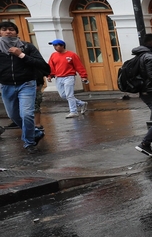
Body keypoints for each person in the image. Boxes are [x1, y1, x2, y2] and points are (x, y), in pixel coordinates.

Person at [0, 20, 48, 148]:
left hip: (26, 84)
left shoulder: (27, 47)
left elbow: (43, 66)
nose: (8, 32)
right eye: (4, 29)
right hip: (6, 86)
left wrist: (21, 55)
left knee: (26, 114)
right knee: (13, 116)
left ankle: (29, 142)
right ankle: (35, 132)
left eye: (11, 29)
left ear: (16, 32)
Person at [46, 39, 88, 118]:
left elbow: (79, 66)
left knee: (69, 95)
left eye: (56, 45)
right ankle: (81, 103)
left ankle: (73, 111)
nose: (54, 47)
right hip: (58, 77)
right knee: (63, 95)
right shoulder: (53, 55)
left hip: (69, 76)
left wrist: (83, 76)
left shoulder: (72, 55)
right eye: (53, 46)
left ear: (62, 46)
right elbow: (51, 66)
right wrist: (49, 75)